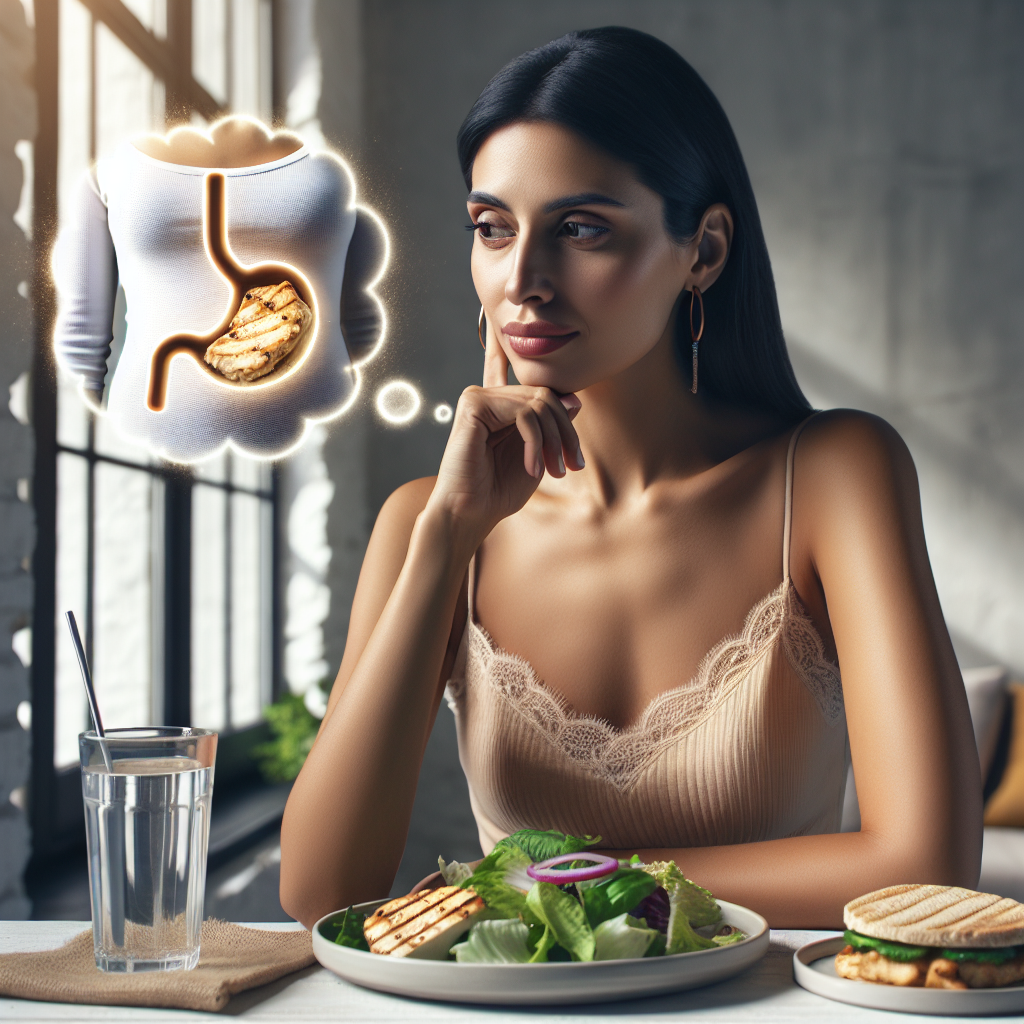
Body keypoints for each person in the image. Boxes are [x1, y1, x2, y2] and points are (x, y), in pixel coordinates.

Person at [280, 26, 982, 929]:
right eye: (492, 228)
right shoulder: (429, 522)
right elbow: (321, 894)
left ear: (706, 251)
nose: (521, 279)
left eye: (581, 229)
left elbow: (928, 868)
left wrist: (555, 880)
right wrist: (448, 540)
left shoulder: (835, 476)